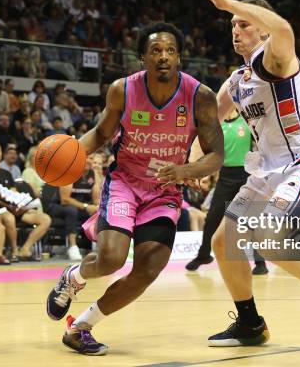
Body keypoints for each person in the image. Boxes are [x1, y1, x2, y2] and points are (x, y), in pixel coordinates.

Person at [45, 21, 224, 355]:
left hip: (165, 191)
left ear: (180, 59)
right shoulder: (122, 90)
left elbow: (217, 156)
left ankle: (81, 327)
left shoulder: (200, 97)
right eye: (155, 50)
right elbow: (100, 134)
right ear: (143, 57)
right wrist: (68, 156)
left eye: (170, 50)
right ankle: (73, 277)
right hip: (125, 182)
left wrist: (185, 169)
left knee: (148, 270)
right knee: (111, 259)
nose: (163, 56)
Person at [198, 0, 300, 348]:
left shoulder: (276, 57)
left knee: (267, 236)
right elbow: (210, 121)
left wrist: (228, 1)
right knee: (223, 241)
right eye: (232, 23)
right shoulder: (237, 80)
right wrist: (192, 161)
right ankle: (250, 323)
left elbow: (284, 29)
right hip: (266, 173)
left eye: (244, 23)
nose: (235, 29)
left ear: (262, 30)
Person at [185, 107, 268, 274]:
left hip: (246, 176)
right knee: (212, 218)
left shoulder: (246, 120)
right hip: (225, 176)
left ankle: (261, 263)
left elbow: (262, 139)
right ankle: (203, 255)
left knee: (251, 221)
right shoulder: (218, 124)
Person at [0, 141, 50, 261]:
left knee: (45, 219)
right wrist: (10, 207)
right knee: (9, 217)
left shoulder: (6, 173)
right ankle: (14, 251)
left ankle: (25, 249)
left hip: (15, 209)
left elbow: (14, 193)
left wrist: (23, 206)